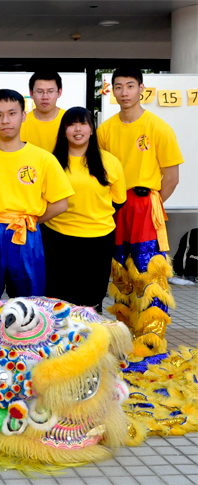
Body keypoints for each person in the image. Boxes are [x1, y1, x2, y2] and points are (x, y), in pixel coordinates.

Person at [97, 67, 183, 355]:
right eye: (118, 87)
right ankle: (124, 337)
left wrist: (150, 205)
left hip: (146, 206)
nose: (124, 92)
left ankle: (150, 340)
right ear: (112, 91)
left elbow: (171, 178)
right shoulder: (105, 130)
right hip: (115, 208)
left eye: (130, 86)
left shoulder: (158, 127)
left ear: (141, 88)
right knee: (121, 272)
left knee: (149, 272)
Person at [0, 89, 74, 307]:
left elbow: (61, 203)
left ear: (23, 116)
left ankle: (28, 331)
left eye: (12, 113)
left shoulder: (43, 158)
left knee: (30, 301)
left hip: (26, 233)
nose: (5, 120)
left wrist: (32, 221)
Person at [42, 107, 126, 311]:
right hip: (58, 237)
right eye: (71, 124)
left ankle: (91, 332)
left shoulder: (109, 161)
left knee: (91, 299)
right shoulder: (50, 162)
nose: (78, 129)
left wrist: (93, 215)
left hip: (98, 240)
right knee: (58, 300)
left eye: (83, 123)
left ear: (92, 129)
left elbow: (119, 200)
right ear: (64, 131)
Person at [20, 71, 65, 152]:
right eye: (40, 91)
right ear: (31, 93)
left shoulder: (69, 121)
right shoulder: (20, 123)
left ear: (59, 92)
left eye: (50, 91)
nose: (45, 97)